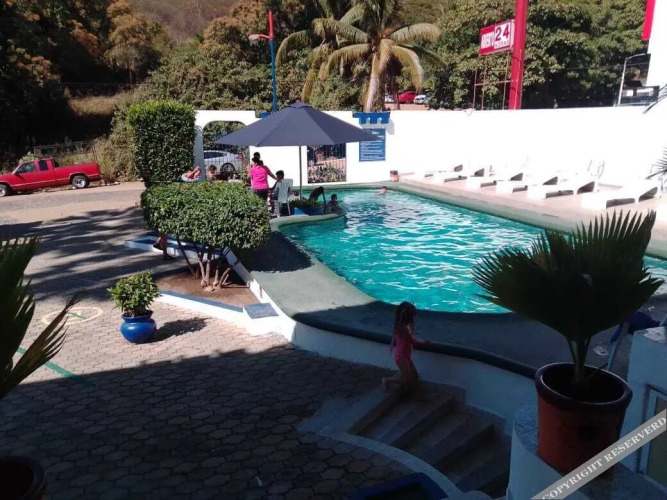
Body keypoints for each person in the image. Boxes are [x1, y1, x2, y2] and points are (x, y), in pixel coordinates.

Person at [382, 302, 429, 394]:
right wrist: (424, 342)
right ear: (409, 317)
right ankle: (387, 380)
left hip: (406, 355)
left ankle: (415, 393)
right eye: (414, 315)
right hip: (401, 357)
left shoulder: (403, 326)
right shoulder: (404, 329)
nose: (415, 317)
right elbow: (413, 341)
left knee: (414, 375)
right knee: (406, 379)